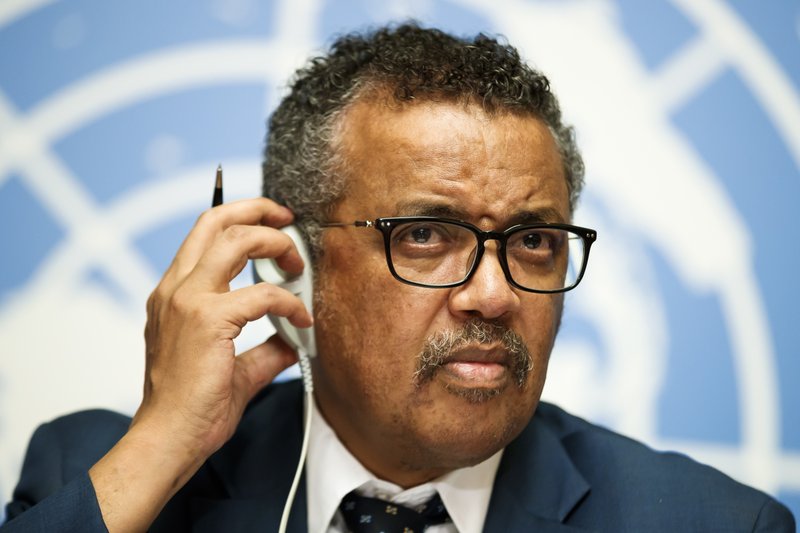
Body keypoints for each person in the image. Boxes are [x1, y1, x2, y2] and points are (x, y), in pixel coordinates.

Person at [2, 23, 795, 533]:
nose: (493, 294)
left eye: (534, 241)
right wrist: (164, 447)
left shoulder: (712, 521)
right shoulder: (99, 480)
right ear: (295, 263)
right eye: (425, 235)